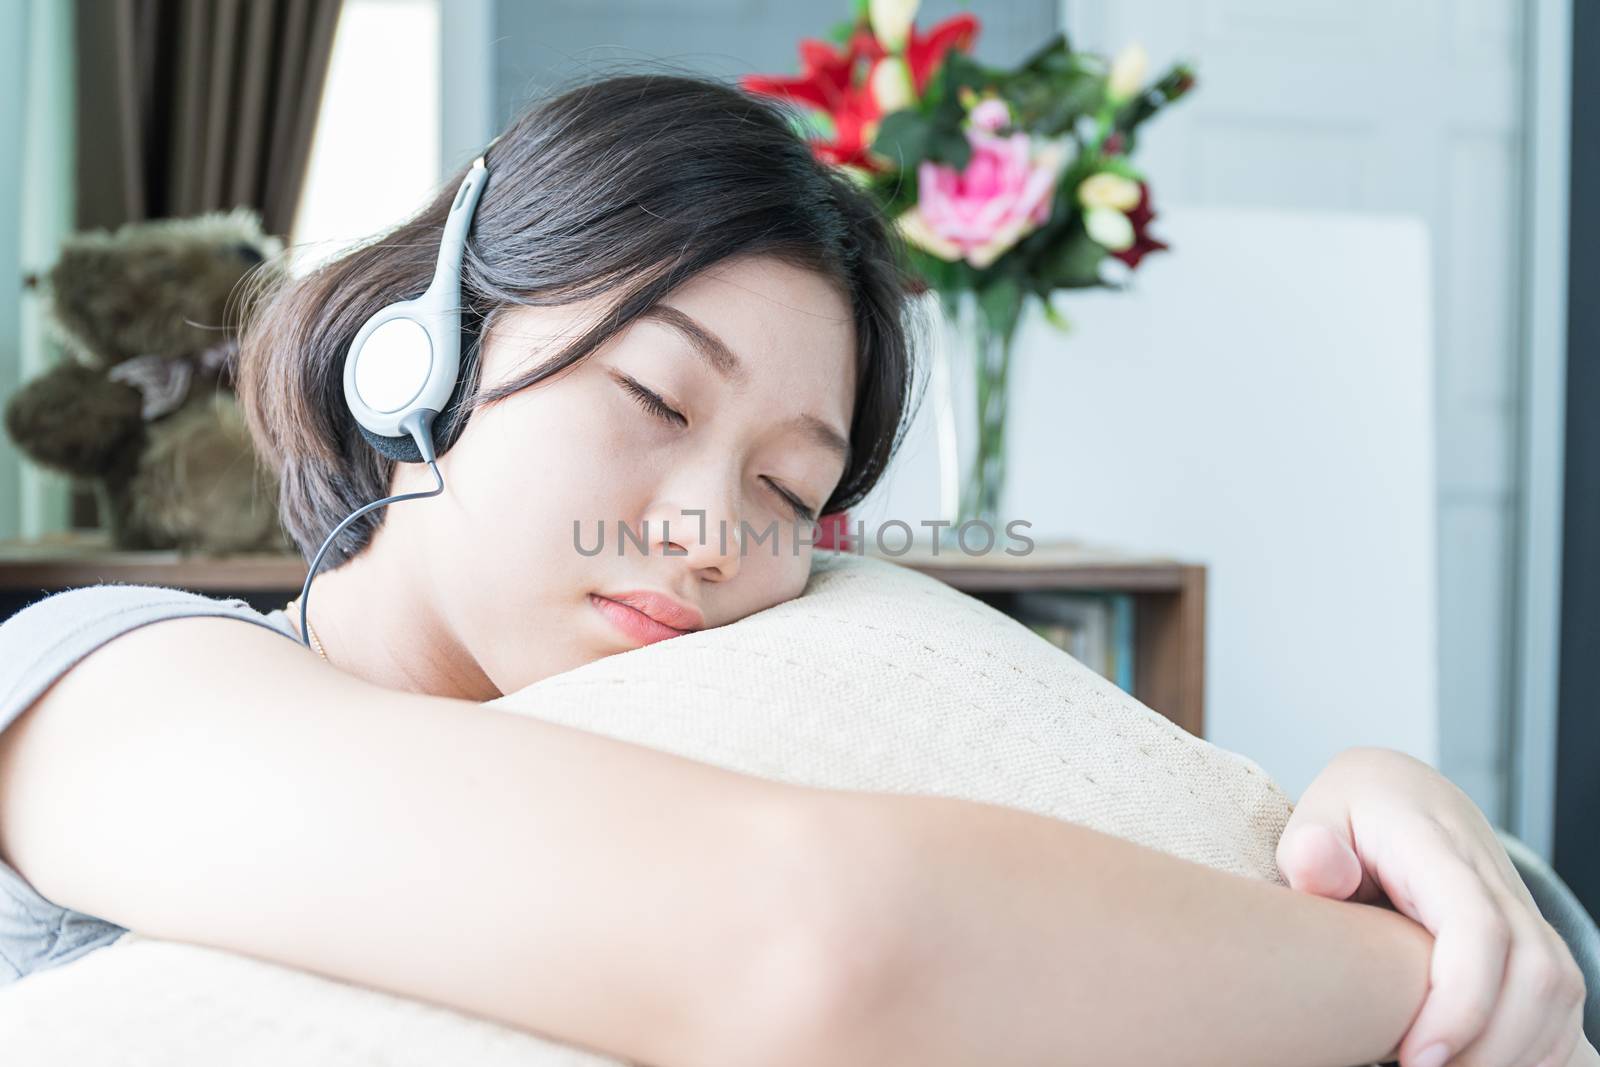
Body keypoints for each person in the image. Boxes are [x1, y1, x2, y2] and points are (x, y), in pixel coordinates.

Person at [0, 71, 1590, 1067]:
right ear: (417, 358)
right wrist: (1420, 973)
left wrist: (1377, 799)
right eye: (650, 398)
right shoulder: (101, 690)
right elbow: (817, 943)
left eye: (787, 487)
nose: (708, 534)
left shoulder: (738, 688)